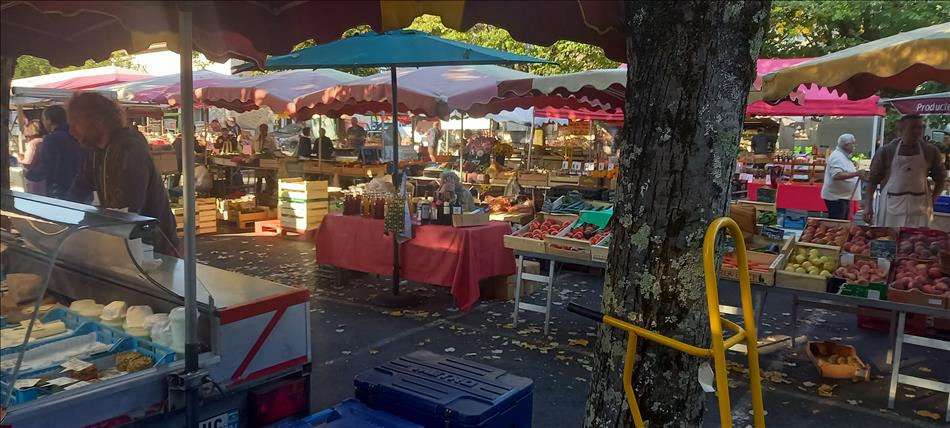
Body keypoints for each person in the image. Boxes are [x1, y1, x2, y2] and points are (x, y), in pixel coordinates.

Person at [65, 92, 179, 255]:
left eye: (76, 122)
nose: (71, 130)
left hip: (155, 248)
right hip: (126, 242)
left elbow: (126, 208)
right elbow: (80, 186)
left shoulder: (129, 148)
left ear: (98, 119)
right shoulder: (96, 151)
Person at [865, 114, 947, 227]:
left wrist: (932, 201)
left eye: (920, 127)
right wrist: (868, 205)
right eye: (912, 127)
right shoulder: (886, 151)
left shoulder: (931, 152)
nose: (917, 131)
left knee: (917, 242)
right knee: (888, 240)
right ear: (901, 130)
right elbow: (872, 179)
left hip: (920, 210)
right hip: (890, 209)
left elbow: (941, 178)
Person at [25, 106, 83, 200]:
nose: (43, 123)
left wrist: (30, 174)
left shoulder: (52, 139)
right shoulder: (77, 136)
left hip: (61, 191)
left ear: (49, 120)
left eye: (43, 119)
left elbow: (48, 166)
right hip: (81, 191)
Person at [821, 133, 866, 220]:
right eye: (853, 143)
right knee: (838, 224)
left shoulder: (843, 156)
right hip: (836, 198)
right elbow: (836, 175)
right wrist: (856, 173)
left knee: (843, 222)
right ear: (846, 145)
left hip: (842, 197)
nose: (855, 145)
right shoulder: (837, 157)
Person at [18, 119, 47, 195]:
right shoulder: (45, 141)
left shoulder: (33, 144)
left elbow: (28, 163)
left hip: (35, 179)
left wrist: (19, 158)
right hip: (45, 179)